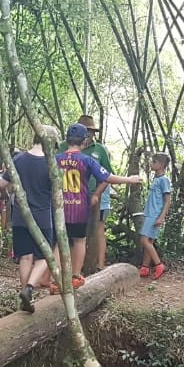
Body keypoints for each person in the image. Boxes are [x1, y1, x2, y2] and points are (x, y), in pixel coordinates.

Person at [57, 123, 142, 289]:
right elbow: (108, 177)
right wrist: (129, 180)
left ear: (67, 140)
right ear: (84, 141)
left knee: (59, 242)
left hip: (60, 208)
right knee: (79, 240)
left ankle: (57, 277)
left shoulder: (56, 159)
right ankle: (75, 276)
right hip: (79, 208)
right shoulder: (86, 160)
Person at [0, 125, 59, 314]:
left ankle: (24, 294)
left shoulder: (18, 159)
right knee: (45, 255)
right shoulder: (52, 163)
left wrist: (7, 195)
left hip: (20, 216)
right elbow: (57, 192)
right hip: (42, 216)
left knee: (25, 256)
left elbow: (1, 183)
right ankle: (29, 288)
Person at [77, 115, 115, 272]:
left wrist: (97, 194)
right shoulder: (68, 147)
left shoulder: (99, 150)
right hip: (73, 198)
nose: (89, 134)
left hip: (95, 198)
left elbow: (108, 175)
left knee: (97, 230)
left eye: (91, 131)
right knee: (76, 233)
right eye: (86, 131)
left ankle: (99, 265)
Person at [139, 152, 173, 280]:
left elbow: (167, 200)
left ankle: (159, 265)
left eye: (154, 162)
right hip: (149, 213)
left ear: (161, 165)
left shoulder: (164, 180)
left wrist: (161, 217)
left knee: (144, 240)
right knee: (149, 241)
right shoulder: (156, 179)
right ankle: (145, 267)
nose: (151, 164)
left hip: (154, 214)